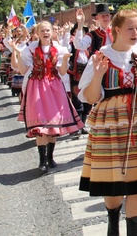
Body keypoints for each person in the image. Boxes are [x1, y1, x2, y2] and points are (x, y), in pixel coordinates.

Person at [77, 9, 137, 235]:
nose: (135, 32)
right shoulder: (100, 56)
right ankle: (112, 222)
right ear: (117, 29)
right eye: (130, 28)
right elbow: (90, 98)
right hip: (110, 124)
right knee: (112, 183)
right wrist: (98, 76)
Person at [14, 21, 83, 173]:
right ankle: (42, 161)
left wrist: (65, 59)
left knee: (53, 125)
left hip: (54, 87)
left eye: (48, 30)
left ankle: (50, 157)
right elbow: (23, 70)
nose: (46, 33)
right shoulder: (30, 49)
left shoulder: (59, 49)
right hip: (36, 87)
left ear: (52, 32)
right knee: (39, 126)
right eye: (43, 31)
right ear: (37, 33)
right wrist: (18, 54)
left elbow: (63, 72)